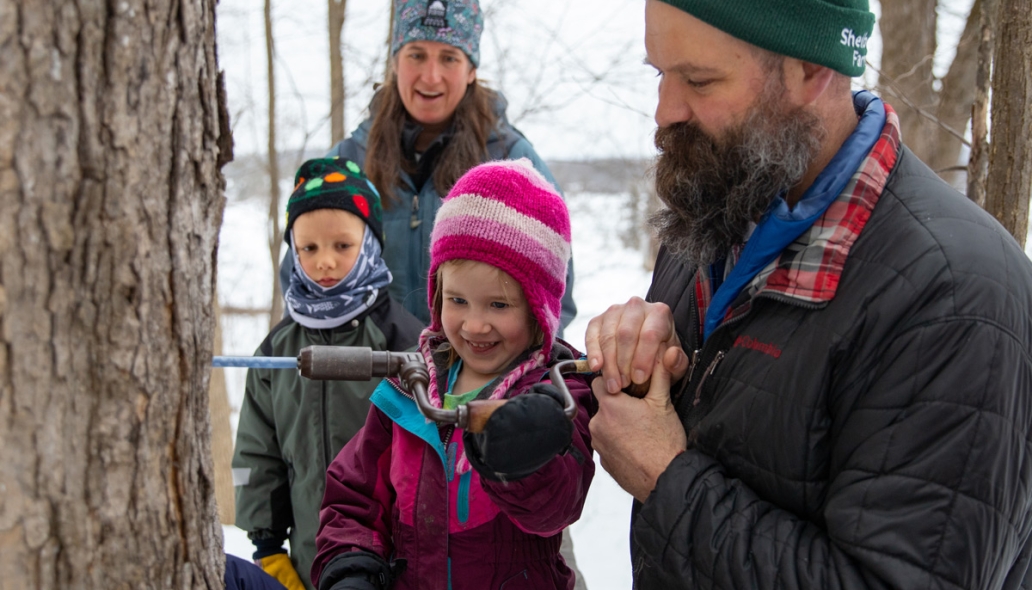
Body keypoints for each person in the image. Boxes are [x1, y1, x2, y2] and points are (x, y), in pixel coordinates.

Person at [584, 1, 1032, 588]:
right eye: (659, 74)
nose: (665, 112)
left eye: (698, 80)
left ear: (809, 70)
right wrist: (648, 363)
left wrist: (668, 478)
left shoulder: (954, 297)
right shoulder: (723, 200)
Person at [311, 159, 597, 590]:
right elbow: (354, 497)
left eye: (498, 305)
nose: (474, 325)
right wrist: (353, 564)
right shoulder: (410, 387)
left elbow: (555, 506)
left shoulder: (555, 390)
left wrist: (521, 456)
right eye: (458, 301)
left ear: (540, 310)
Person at [280, 0, 577, 333]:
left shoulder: (511, 161)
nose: (430, 76)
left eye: (449, 58)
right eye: (416, 55)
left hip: (479, 373)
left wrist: (511, 374)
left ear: (471, 70)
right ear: (395, 62)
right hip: (368, 375)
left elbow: (555, 295)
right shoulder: (347, 167)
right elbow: (297, 279)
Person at [233, 158, 424, 590]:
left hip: (394, 561)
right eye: (309, 248)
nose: (325, 262)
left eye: (342, 245)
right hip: (304, 557)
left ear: (370, 242)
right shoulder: (276, 351)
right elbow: (256, 452)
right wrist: (266, 544)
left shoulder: (405, 341)